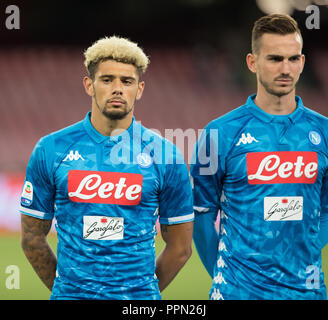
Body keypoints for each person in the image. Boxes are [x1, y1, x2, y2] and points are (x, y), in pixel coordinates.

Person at [20, 36, 194, 300]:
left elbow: (180, 247)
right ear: (89, 85)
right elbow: (32, 238)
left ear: (140, 89)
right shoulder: (51, 149)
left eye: (127, 81)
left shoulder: (165, 155)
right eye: (107, 79)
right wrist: (68, 292)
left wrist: (137, 295)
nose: (117, 89)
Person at [191, 14, 328, 300]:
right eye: (275, 59)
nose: (285, 68)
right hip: (237, 293)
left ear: (303, 63)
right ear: (252, 62)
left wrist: (304, 255)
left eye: (293, 59)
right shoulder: (218, 133)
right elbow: (201, 215)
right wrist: (225, 273)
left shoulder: (324, 132)